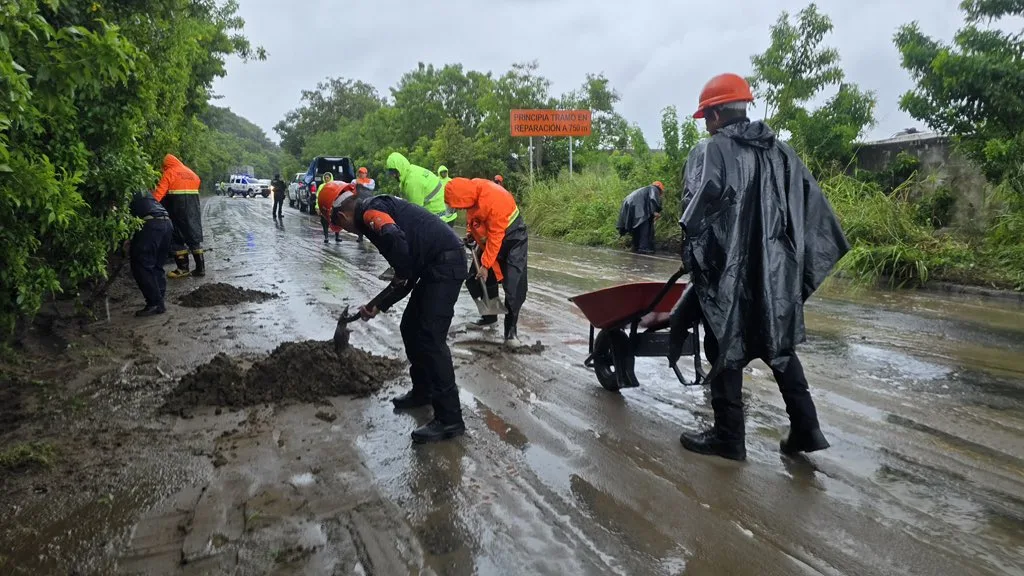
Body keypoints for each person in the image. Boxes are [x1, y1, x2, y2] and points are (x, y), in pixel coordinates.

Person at [669, 73, 849, 461]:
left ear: (716, 115)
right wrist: (789, 271)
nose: (706, 125)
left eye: (706, 117)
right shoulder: (783, 153)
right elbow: (813, 215)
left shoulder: (710, 151)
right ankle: (806, 427)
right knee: (778, 343)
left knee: (724, 343)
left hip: (729, 275)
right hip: (775, 275)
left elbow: (697, 216)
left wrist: (700, 269)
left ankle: (729, 437)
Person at [318, 181, 467, 443]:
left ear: (342, 216)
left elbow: (397, 246)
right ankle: (423, 391)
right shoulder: (373, 210)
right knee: (409, 327)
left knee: (431, 338)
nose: (346, 231)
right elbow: (405, 275)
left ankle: (450, 419)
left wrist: (399, 277)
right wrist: (376, 304)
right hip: (432, 267)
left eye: (341, 226)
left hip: (446, 264)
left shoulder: (370, 214)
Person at [445, 177, 529, 343]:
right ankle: (490, 317)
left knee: (514, 287)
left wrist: (485, 265)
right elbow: (473, 217)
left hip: (514, 239)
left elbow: (496, 236)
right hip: (491, 239)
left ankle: (511, 332)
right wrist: (471, 233)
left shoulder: (493, 201)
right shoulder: (472, 191)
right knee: (473, 280)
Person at [153, 154, 204, 278]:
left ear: (166, 165)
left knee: (176, 238)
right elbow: (198, 185)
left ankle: (182, 268)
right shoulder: (192, 174)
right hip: (193, 211)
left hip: (176, 210)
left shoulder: (169, 173)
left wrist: (150, 205)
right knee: (194, 237)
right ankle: (200, 268)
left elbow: (158, 195)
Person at [127, 191, 173, 316]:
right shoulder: (142, 190)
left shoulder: (121, 191)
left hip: (151, 225)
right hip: (167, 223)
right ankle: (159, 299)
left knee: (142, 265)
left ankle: (154, 303)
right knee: (157, 265)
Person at [385, 152, 458, 227]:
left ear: (401, 167)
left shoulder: (412, 182)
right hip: (446, 213)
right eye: (391, 172)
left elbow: (415, 212)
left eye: (394, 172)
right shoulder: (412, 171)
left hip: (440, 216)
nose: (393, 175)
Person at [616, 181, 664, 254]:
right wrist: (654, 211)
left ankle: (636, 246)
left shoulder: (644, 190)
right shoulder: (654, 189)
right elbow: (653, 199)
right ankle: (643, 248)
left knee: (636, 227)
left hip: (629, 204)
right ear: (660, 189)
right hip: (639, 208)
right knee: (645, 228)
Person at [315, 172, 340, 243]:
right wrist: (317, 207)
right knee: (324, 221)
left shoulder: (334, 185)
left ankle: (337, 236)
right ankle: (326, 237)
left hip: (333, 206)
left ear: (330, 178)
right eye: (325, 178)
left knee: (336, 221)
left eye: (328, 178)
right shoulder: (321, 186)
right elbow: (318, 197)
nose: (326, 179)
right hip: (324, 206)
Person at [353, 167, 376, 243]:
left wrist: (361, 184)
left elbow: (371, 187)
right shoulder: (354, 181)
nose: (361, 174)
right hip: (359, 200)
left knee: (370, 218)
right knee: (359, 218)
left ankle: (372, 236)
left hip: (369, 200)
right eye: (360, 173)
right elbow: (351, 186)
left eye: (363, 173)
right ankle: (360, 235)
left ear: (366, 174)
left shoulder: (371, 181)